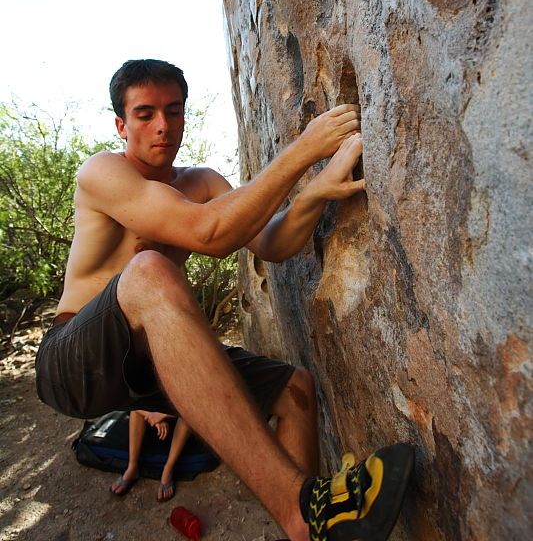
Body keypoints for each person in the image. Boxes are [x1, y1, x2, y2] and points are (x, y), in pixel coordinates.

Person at [35, 59, 413, 541]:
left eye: (174, 111)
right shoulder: (103, 173)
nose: (163, 126)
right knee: (151, 270)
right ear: (120, 124)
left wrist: (316, 192)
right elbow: (207, 232)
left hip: (147, 364)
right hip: (73, 359)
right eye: (146, 113)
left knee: (295, 390)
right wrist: (304, 152)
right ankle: (303, 507)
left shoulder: (203, 182)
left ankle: (305, 530)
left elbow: (272, 243)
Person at [109, 410, 191, 501]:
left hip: (178, 412)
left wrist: (163, 415)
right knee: (135, 411)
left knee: (187, 417)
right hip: (156, 413)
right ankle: (132, 467)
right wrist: (150, 415)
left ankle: (168, 468)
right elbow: (131, 402)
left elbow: (193, 406)